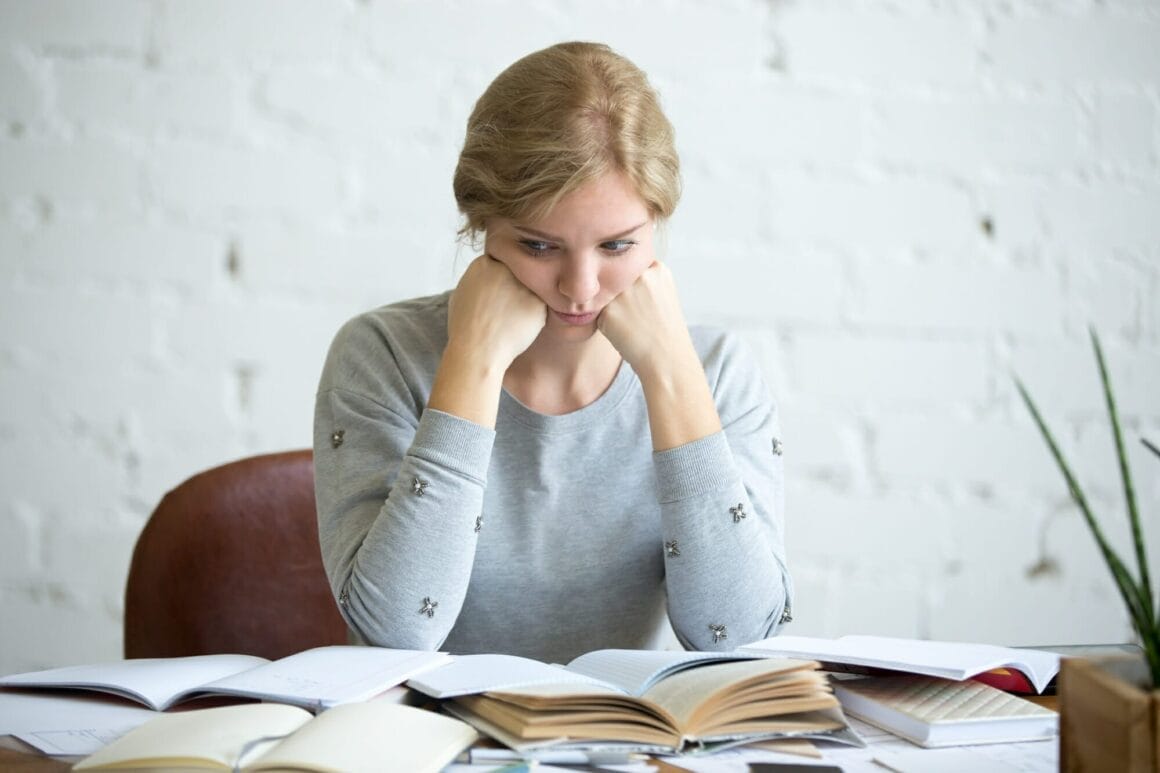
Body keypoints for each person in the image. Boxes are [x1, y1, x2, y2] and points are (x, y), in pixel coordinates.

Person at [313, 41, 792, 664]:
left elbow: (741, 636)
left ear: (656, 226)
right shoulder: (381, 355)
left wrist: (672, 374)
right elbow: (395, 636)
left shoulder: (718, 370)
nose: (580, 288)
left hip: (620, 746)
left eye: (617, 246)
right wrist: (474, 362)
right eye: (540, 247)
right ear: (482, 226)